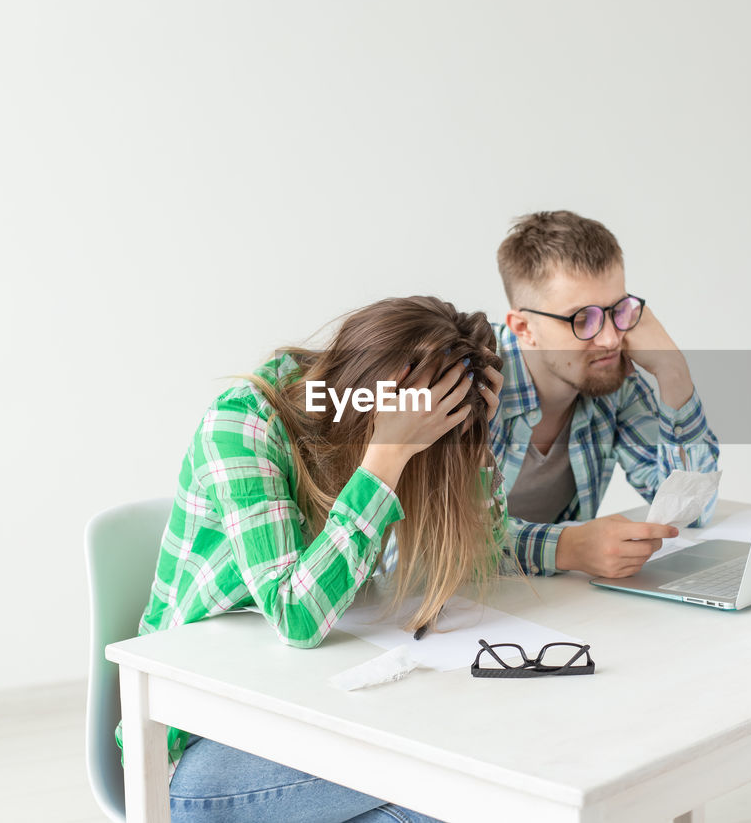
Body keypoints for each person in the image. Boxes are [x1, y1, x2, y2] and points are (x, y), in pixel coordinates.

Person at [123, 295, 508, 823]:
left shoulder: (380, 426)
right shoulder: (242, 424)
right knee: (467, 776)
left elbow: (484, 555)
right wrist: (387, 455)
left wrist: (477, 437)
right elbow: (296, 616)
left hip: (309, 699)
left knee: (460, 776)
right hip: (190, 751)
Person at [492, 210, 721, 579]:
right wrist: (568, 548)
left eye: (618, 311)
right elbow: (440, 542)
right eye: (582, 319)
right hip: (437, 611)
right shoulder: (470, 384)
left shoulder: (611, 383)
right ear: (524, 328)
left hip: (547, 605)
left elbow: (696, 509)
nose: (611, 338)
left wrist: (673, 371)